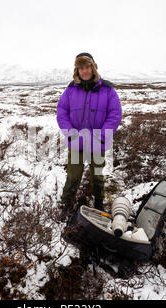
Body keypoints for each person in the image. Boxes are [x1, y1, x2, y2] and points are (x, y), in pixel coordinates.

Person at [56, 52, 122, 221]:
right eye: (81, 68)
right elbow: (61, 111)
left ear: (93, 68)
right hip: (76, 141)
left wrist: (102, 135)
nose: (84, 71)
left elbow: (115, 114)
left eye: (87, 67)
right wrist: (71, 134)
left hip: (97, 141)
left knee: (97, 174)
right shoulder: (71, 89)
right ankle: (67, 205)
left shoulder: (107, 89)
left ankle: (99, 204)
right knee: (73, 175)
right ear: (77, 70)